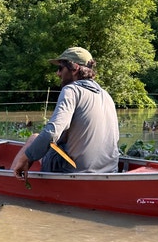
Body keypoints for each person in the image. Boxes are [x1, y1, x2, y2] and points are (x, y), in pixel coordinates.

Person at [11, 47, 119, 180]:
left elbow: (52, 132)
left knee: (34, 138)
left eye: (61, 68)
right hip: (111, 170)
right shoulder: (106, 94)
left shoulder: (71, 90)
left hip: (77, 171)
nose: (58, 73)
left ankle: (10, 179)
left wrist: (25, 157)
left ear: (74, 68)